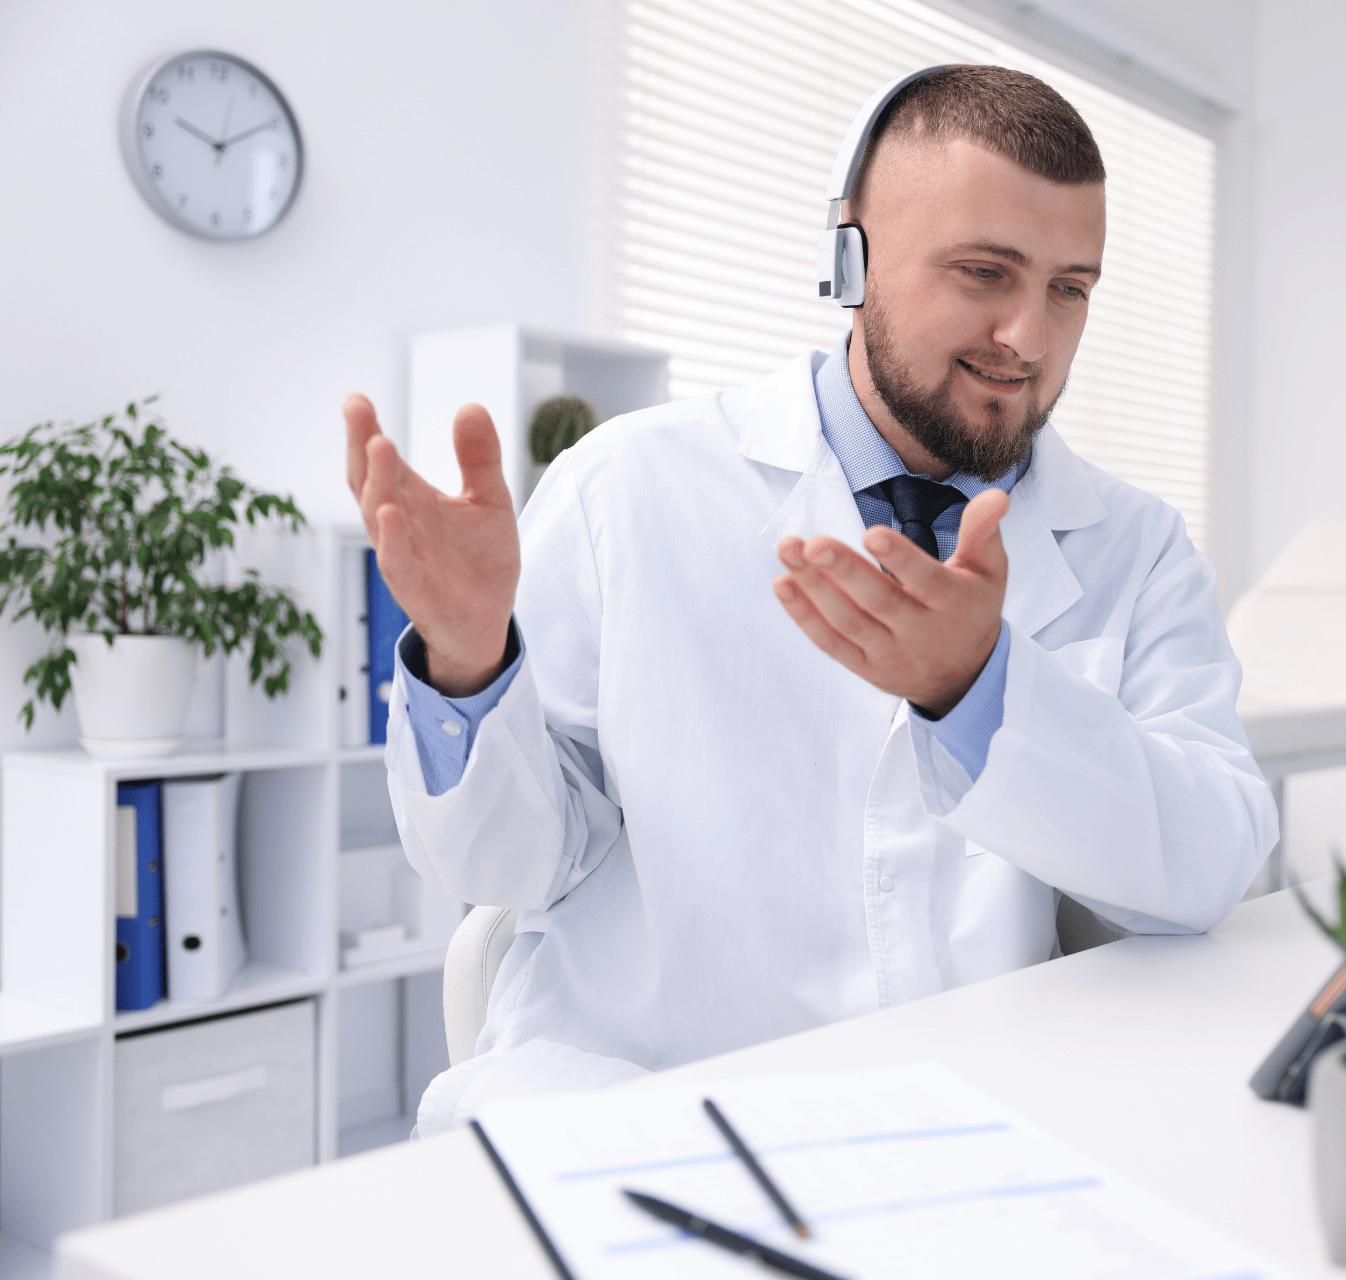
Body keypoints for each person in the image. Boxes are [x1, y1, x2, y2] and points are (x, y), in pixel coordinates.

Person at [343, 65, 1277, 1132]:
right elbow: (501, 863)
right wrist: (469, 665)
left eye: (1071, 287)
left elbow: (1208, 862)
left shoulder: (1135, 544)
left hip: (968, 1122)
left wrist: (976, 692)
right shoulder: (627, 486)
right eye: (985, 272)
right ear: (850, 258)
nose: (1029, 335)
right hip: (642, 1109)